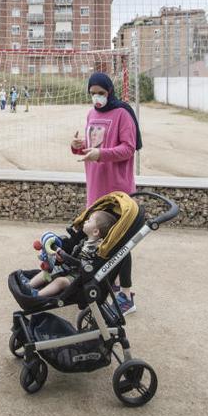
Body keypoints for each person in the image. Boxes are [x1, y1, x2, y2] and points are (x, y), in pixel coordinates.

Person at [70, 72, 142, 315]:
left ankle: (127, 296)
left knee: (121, 241)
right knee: (102, 238)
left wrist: (101, 154)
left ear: (109, 91)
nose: (96, 98)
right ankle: (110, 285)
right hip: (95, 186)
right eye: (92, 93)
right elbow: (91, 147)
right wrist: (77, 146)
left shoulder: (122, 113)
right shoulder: (91, 114)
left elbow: (128, 149)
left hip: (118, 190)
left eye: (100, 93)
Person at [24, 210, 116, 298]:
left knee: (60, 281)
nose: (85, 221)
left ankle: (37, 295)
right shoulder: (84, 241)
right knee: (49, 270)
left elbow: (87, 263)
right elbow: (74, 255)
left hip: (80, 277)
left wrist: (68, 260)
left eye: (89, 221)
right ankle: (29, 285)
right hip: (70, 268)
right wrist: (63, 258)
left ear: (95, 231)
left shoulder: (97, 248)